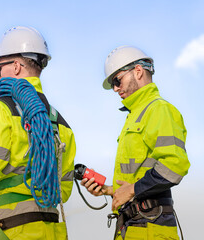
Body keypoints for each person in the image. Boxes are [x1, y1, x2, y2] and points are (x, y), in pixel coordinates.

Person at [0, 26, 76, 240]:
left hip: (8, 230)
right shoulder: (61, 124)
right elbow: (64, 192)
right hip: (49, 231)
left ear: (15, 67)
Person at [81, 45, 190, 239]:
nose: (115, 88)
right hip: (133, 226)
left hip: (151, 228)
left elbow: (175, 166)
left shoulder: (159, 110)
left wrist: (131, 190)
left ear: (138, 72)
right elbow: (139, 176)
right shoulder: (136, 116)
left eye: (117, 80)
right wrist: (110, 190)